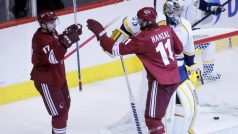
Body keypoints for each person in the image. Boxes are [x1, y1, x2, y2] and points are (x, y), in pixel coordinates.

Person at [87, 7, 183, 134]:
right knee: (156, 115)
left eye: (140, 20)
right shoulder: (167, 29)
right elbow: (179, 49)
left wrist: (101, 34)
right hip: (174, 78)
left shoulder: (141, 39)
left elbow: (114, 50)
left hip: (160, 83)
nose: (138, 23)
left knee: (153, 119)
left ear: (143, 21)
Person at [30, 10, 82, 134]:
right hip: (47, 82)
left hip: (58, 78)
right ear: (42, 25)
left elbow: (57, 41)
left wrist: (68, 33)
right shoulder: (39, 40)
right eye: (50, 22)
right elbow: (53, 58)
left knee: (66, 105)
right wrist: (66, 43)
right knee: (60, 112)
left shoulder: (51, 32)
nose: (54, 25)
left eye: (54, 21)